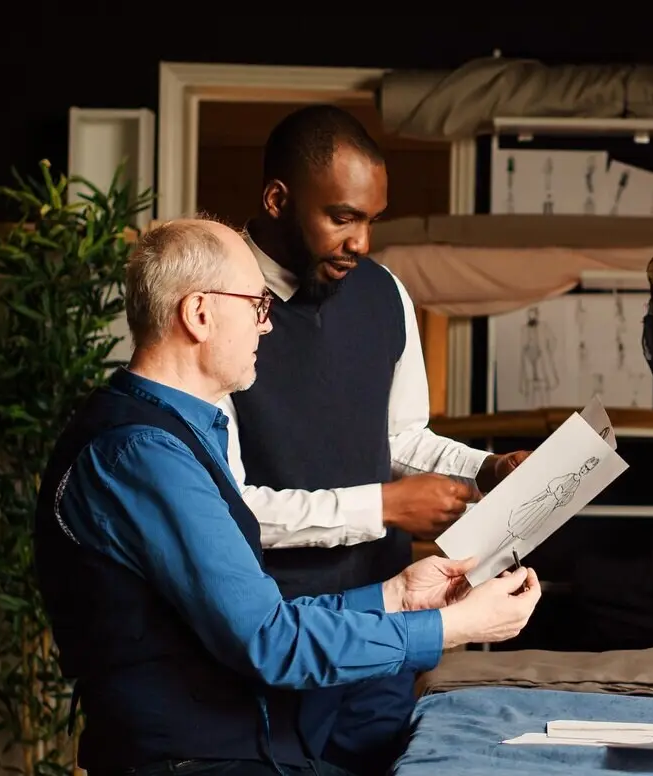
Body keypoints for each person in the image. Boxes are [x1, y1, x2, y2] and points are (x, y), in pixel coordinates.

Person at [33, 218, 542, 775]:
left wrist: (396, 596)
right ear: (199, 314)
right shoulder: (144, 454)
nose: (267, 324)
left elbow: (261, 620)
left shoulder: (176, 432)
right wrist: (456, 627)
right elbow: (270, 641)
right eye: (257, 305)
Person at [218, 105, 533, 774]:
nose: (360, 242)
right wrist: (385, 506)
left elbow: (401, 437)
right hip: (276, 635)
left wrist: (485, 469)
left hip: (389, 620)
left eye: (371, 220)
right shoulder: (217, 308)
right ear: (277, 200)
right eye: (342, 217)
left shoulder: (384, 292)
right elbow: (227, 509)